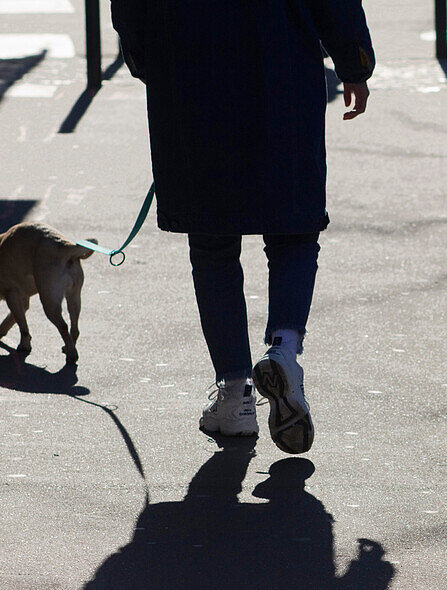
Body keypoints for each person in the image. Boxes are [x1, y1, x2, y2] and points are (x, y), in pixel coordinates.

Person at [110, 0, 374, 453]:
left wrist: (151, 61)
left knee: (212, 240)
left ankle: (234, 394)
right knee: (293, 230)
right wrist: (354, 62)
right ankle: (284, 351)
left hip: (192, 73)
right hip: (284, 66)